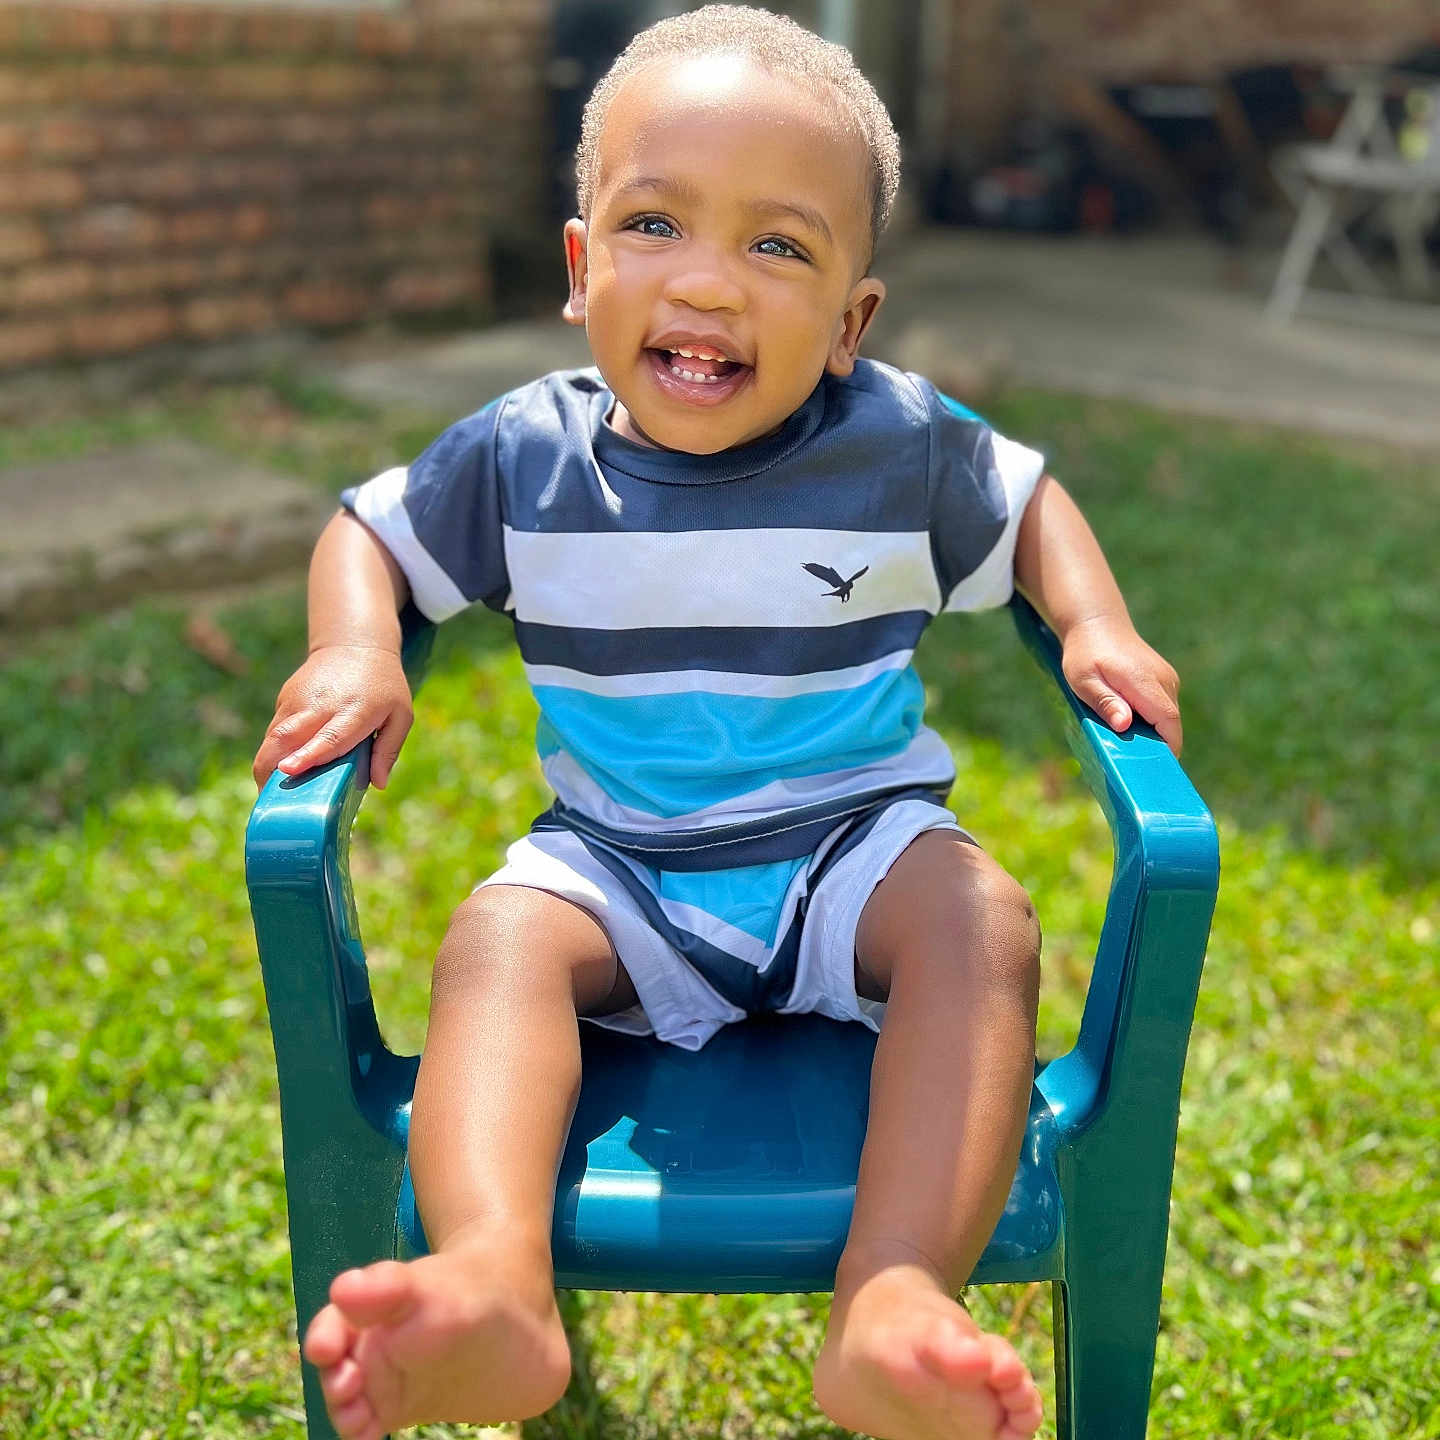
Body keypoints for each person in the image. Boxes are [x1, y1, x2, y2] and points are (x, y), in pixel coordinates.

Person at [252, 7, 1182, 1439]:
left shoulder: (899, 443)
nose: (706, 282)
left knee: (978, 917)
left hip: (850, 846)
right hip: (617, 860)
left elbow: (1034, 504)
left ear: (851, 320)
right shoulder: (522, 457)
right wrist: (358, 648)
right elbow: (363, 533)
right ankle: (496, 1282)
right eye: (653, 224)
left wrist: (1098, 622)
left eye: (777, 246)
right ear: (580, 266)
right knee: (497, 939)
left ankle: (893, 1296)